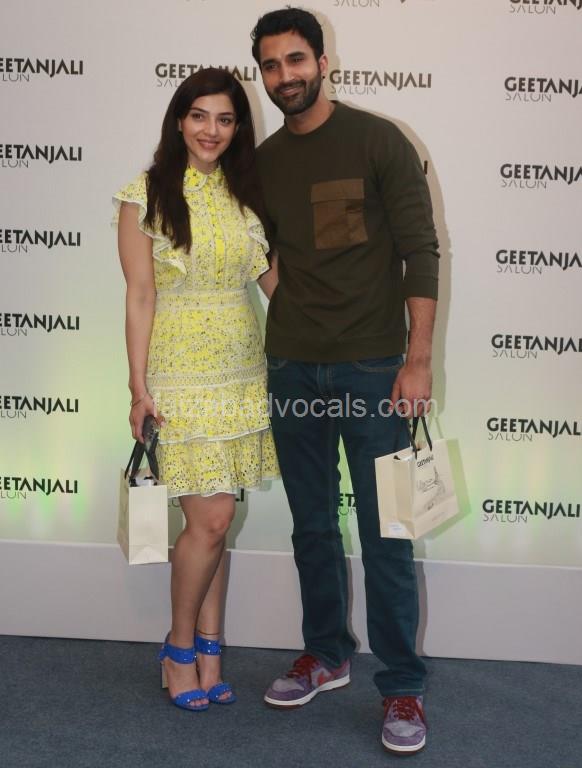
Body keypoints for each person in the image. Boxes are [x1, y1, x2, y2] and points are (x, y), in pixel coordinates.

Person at [250, 8, 440, 755]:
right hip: (291, 366)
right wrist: (294, 305)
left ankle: (402, 685)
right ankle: (326, 654)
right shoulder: (263, 161)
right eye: (271, 66)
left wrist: (417, 359)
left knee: (388, 530)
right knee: (311, 525)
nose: (285, 76)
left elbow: (420, 251)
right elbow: (262, 254)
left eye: (296, 60)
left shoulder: (378, 140)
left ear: (323, 61)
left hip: (374, 370)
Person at [114, 68, 279, 711]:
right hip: (179, 371)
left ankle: (210, 649)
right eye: (200, 116)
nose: (212, 130)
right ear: (179, 120)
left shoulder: (247, 194)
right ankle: (179, 648)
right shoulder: (145, 194)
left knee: (217, 519)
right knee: (209, 518)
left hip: (242, 367)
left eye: (225, 119)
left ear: (238, 128)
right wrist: (138, 386)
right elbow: (140, 294)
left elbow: (272, 284)